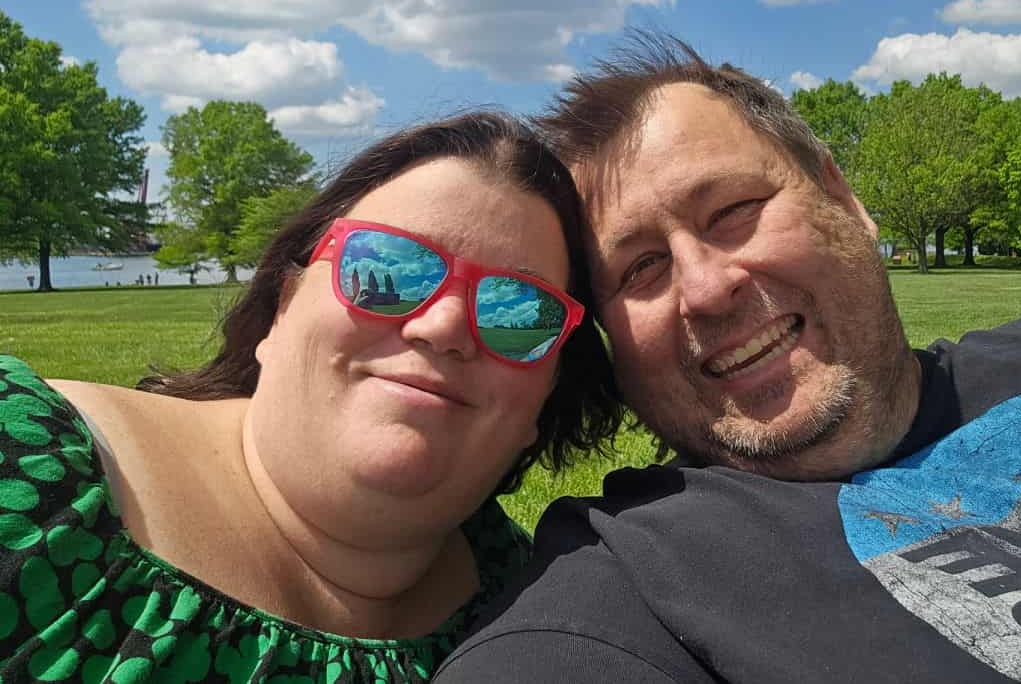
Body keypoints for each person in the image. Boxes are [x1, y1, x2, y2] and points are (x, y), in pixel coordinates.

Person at [436, 36, 1021, 684]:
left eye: (733, 211)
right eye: (637, 270)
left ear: (844, 196)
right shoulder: (628, 594)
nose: (704, 290)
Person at [0, 111, 620, 682]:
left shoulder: (548, 613)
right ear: (282, 308)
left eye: (521, 311)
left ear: (546, 396)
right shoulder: (20, 464)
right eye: (390, 268)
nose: (444, 326)